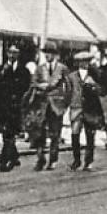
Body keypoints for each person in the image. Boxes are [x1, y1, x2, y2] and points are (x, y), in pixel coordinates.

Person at [0, 45, 31, 172]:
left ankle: (4, 161)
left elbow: (26, 87)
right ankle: (14, 155)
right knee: (6, 134)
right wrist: (1, 73)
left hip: (15, 106)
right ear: (7, 53)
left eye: (15, 52)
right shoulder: (0, 68)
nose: (12, 55)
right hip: (2, 106)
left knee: (10, 133)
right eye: (10, 52)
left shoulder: (23, 70)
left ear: (18, 54)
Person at [31, 41, 70, 171]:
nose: (47, 55)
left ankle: (52, 159)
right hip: (42, 105)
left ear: (55, 55)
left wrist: (65, 103)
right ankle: (40, 158)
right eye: (45, 53)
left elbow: (69, 87)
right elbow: (33, 83)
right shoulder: (40, 68)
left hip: (57, 105)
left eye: (50, 53)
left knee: (55, 134)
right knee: (39, 132)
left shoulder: (62, 68)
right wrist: (39, 86)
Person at [68, 50, 105, 171]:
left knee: (90, 136)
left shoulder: (95, 75)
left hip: (90, 109)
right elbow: (67, 91)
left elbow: (102, 91)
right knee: (75, 135)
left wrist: (94, 85)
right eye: (82, 62)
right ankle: (76, 160)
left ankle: (88, 161)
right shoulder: (71, 76)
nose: (85, 64)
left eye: (87, 61)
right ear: (78, 63)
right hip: (76, 108)